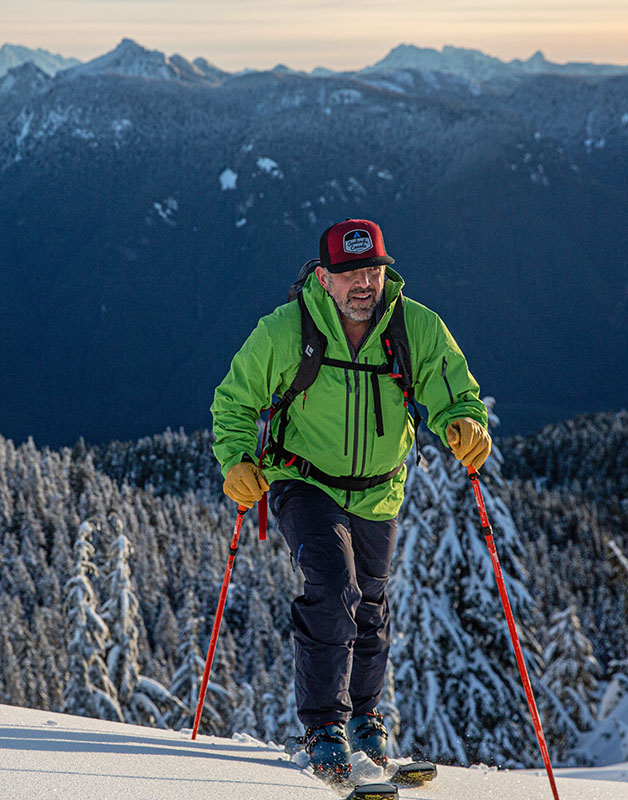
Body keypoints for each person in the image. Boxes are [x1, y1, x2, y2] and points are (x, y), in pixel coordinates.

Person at [209, 218, 491, 781]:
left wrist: (464, 422)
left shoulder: (416, 329)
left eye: (372, 271)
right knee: (334, 587)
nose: (363, 283)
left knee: (370, 605)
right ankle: (322, 728)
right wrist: (238, 459)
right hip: (303, 479)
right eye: (349, 273)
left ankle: (365, 720)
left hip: (379, 489)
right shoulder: (288, 331)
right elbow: (235, 400)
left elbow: (453, 390)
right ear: (324, 277)